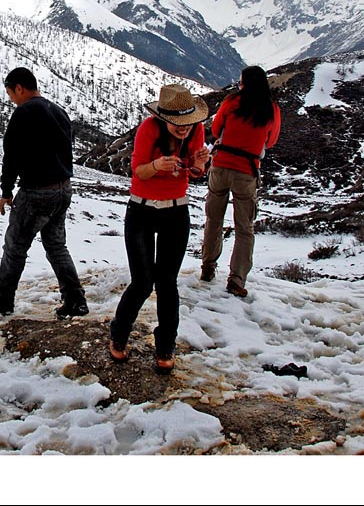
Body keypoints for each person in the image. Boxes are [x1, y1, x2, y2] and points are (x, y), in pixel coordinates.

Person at [109, 83, 210, 373]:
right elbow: (138, 170)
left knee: (167, 283)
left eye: (189, 124)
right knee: (142, 281)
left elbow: (193, 171)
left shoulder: (196, 130)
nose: (185, 129)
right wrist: (157, 166)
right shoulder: (148, 130)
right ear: (164, 119)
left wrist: (199, 165)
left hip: (176, 210)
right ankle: (119, 333)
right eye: (178, 125)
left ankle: (165, 346)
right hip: (141, 208)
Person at [0, 67, 88, 319]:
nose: (11, 98)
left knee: (15, 245)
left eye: (10, 93)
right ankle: (75, 300)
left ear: (19, 88)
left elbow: (11, 156)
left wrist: (6, 190)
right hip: (63, 188)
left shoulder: (23, 113)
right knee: (57, 246)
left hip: (36, 191)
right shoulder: (57, 110)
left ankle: (3, 297)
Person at [200, 65, 282, 297]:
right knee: (244, 227)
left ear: (245, 83)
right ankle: (236, 279)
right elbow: (272, 140)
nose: (239, 84)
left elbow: (216, 130)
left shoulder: (231, 102)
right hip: (247, 171)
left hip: (221, 165)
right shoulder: (271, 109)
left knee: (213, 219)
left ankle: (208, 267)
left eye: (241, 81)